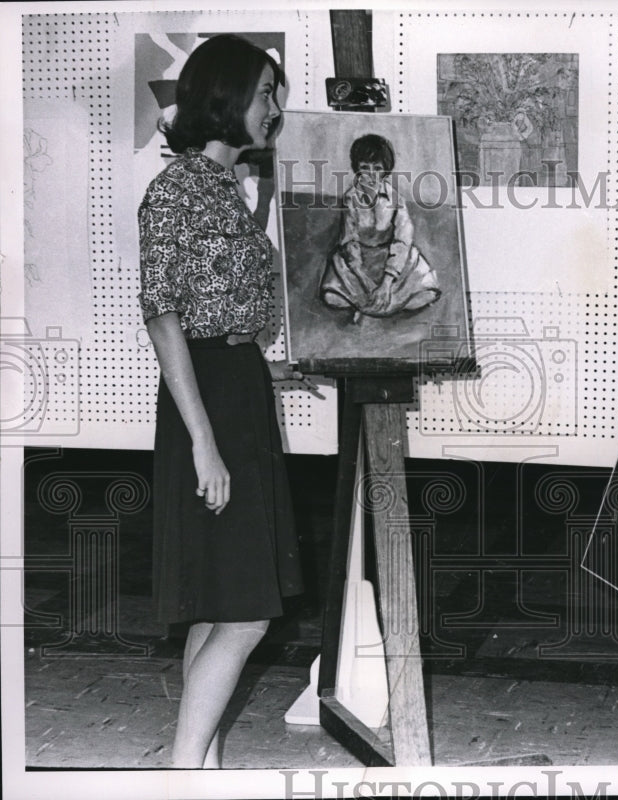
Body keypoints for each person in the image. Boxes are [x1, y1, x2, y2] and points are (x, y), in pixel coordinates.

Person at [138, 34, 306, 768]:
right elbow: (163, 315)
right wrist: (204, 440)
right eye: (267, 93)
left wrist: (273, 370)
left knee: (219, 606)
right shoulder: (177, 188)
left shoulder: (224, 189)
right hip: (204, 403)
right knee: (243, 615)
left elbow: (224, 315)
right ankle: (182, 774)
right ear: (228, 98)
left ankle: (200, 768)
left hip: (235, 388)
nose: (277, 107)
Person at [319, 133, 441, 321]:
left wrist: (386, 283)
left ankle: (370, 304)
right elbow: (349, 240)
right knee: (331, 297)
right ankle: (376, 303)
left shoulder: (395, 199)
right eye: (364, 168)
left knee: (428, 293)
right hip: (360, 261)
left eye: (377, 168)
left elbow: (402, 240)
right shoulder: (351, 198)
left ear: (385, 170)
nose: (371, 175)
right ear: (357, 169)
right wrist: (364, 279)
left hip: (390, 259)